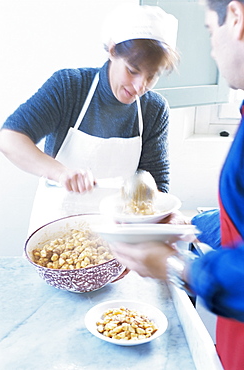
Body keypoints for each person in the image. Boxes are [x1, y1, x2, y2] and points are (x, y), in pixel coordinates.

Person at [110, 1, 244, 369]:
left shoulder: (154, 110)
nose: (212, 47)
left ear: (236, 18)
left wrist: (177, 267)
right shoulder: (69, 85)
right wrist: (192, 225)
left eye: (208, 29)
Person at [0, 4, 179, 233]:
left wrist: (165, 215)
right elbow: (9, 139)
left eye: (152, 76)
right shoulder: (70, 87)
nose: (140, 86)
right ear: (112, 51)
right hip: (56, 232)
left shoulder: (154, 109)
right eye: (133, 70)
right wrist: (61, 173)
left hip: (117, 238)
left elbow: (157, 184)